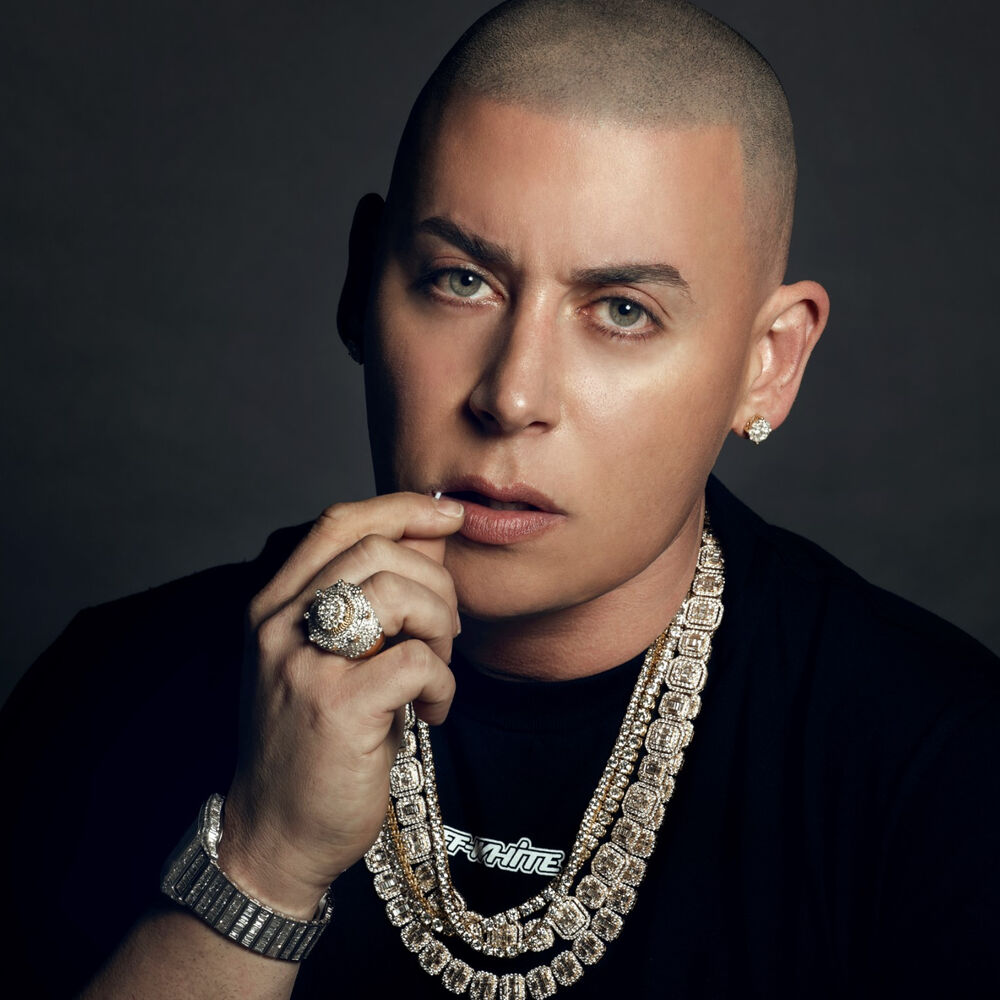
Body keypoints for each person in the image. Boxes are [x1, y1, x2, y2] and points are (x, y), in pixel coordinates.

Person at [1, 1, 996, 997]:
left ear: (766, 364)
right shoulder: (115, 688)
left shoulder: (940, 761)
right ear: (362, 284)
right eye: (460, 280)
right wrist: (266, 864)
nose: (511, 396)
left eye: (622, 311)